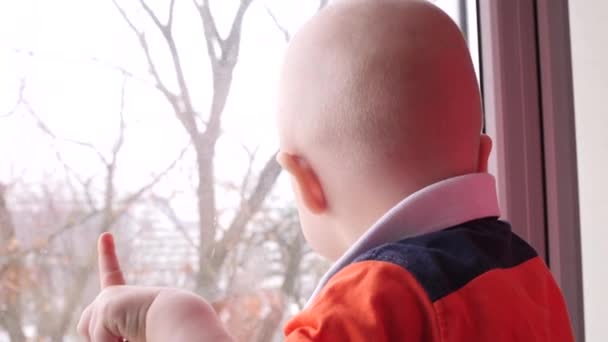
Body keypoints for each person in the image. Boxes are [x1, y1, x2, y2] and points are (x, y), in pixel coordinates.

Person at [77, 0, 575, 341]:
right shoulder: (528, 277)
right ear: (483, 156)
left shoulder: (376, 301)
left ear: (307, 184)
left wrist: (176, 317)